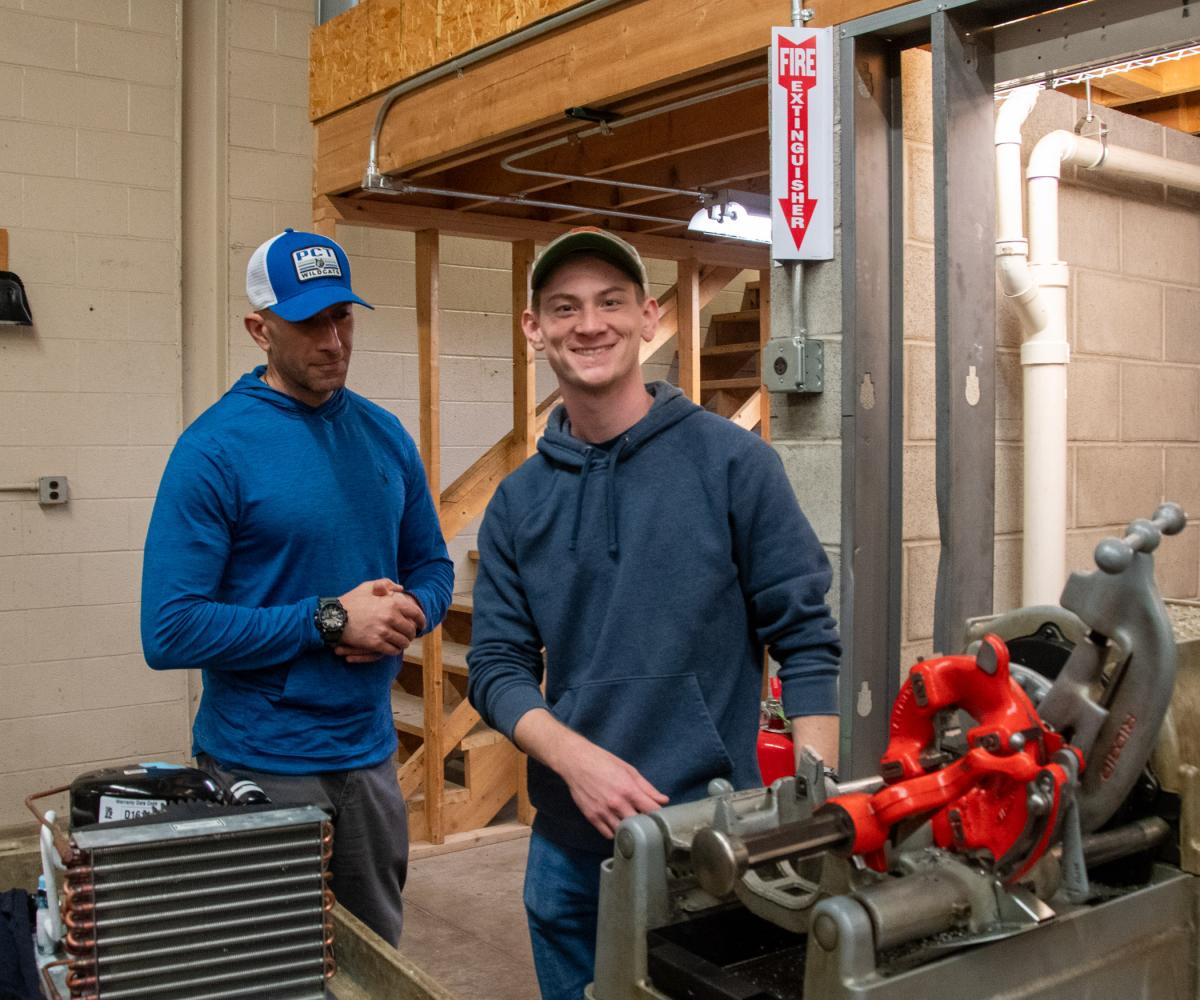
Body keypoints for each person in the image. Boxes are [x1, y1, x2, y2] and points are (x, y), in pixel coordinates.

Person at [466, 227, 841, 998]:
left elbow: (805, 640)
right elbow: (496, 668)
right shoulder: (516, 504)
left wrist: (812, 804)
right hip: (568, 852)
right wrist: (576, 762)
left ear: (649, 315)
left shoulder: (735, 465)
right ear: (534, 330)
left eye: (611, 302)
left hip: (711, 844)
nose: (589, 324)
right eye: (564, 308)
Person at [141, 228, 453, 945]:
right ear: (260, 328)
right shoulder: (214, 450)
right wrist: (327, 621)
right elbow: (170, 630)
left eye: (342, 315)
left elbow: (433, 568)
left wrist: (407, 614)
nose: (334, 339)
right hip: (261, 761)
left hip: (370, 762)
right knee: (268, 965)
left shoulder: (384, 436)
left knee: (377, 959)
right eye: (309, 321)